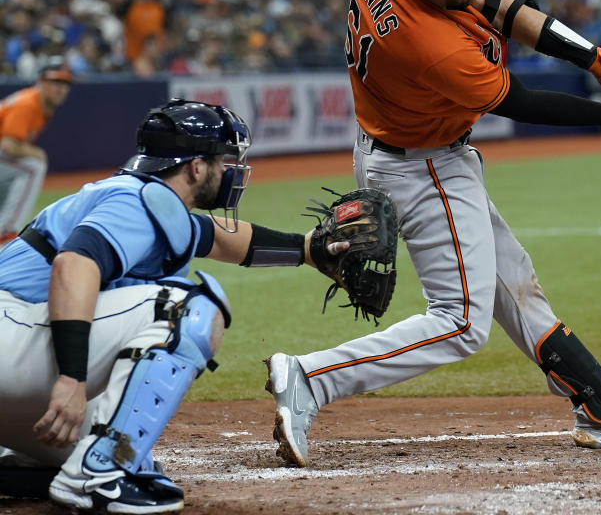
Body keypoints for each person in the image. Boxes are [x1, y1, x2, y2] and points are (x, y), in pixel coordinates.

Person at [265, 0, 601, 468]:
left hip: (406, 148)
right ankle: (311, 378)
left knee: (515, 285)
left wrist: (598, 59)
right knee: (462, 322)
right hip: (424, 166)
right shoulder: (432, 45)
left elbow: (501, 6)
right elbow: (524, 103)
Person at [0, 99, 353, 512]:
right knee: (186, 310)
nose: (230, 171)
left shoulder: (150, 202)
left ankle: (23, 460)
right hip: (9, 336)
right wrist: (72, 379)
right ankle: (93, 479)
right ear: (196, 167)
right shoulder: (134, 201)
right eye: (222, 160)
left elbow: (224, 238)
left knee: (126, 451)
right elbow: (73, 265)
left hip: (15, 350)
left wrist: (311, 250)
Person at [0, 58, 72, 245]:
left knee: (20, 170)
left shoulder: (41, 106)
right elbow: (8, 145)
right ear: (41, 81)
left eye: (65, 84)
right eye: (56, 82)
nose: (61, 89)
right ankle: (7, 231)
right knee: (34, 165)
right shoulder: (27, 103)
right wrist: (37, 153)